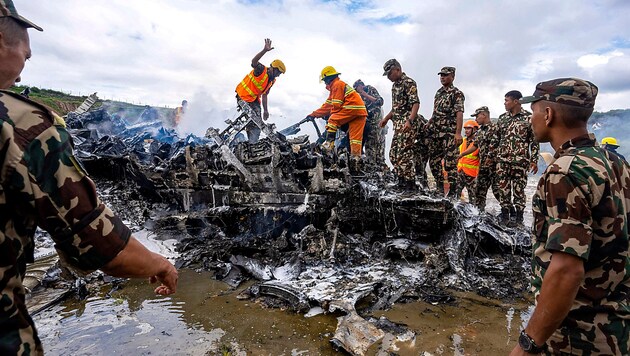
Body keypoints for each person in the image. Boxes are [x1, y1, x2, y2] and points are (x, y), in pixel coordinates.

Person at [0, 2, 178, 354]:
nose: (21, 75)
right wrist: (160, 264)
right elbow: (101, 245)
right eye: (26, 56)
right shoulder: (22, 123)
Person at [510, 78, 629, 355]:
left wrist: (529, 343)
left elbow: (566, 269)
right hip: (617, 328)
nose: (531, 119)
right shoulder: (615, 163)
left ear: (548, 115)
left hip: (578, 336)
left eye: (533, 112)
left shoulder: (564, 172)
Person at [378, 59, 426, 191]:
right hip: (398, 125)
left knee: (403, 154)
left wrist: (409, 121)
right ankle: (401, 181)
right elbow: (396, 108)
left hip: (407, 124)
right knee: (393, 154)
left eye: (389, 73)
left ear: (397, 70)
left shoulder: (408, 82)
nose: (388, 77)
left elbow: (415, 103)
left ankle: (410, 184)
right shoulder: (395, 86)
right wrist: (386, 118)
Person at [494, 90, 539, 225]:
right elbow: (496, 139)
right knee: (503, 188)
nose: (504, 103)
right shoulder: (502, 118)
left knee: (519, 189)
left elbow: (535, 141)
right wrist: (492, 157)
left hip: (520, 161)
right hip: (502, 160)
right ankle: (505, 215)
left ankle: (519, 218)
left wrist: (534, 160)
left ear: (516, 101)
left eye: (507, 100)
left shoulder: (529, 118)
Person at [306, 66, 367, 163]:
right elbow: (327, 106)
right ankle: (355, 160)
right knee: (355, 139)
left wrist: (329, 115)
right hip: (361, 112)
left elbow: (335, 105)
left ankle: (329, 145)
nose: (325, 83)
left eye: (325, 80)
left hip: (352, 108)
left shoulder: (337, 85)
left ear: (328, 78)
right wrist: (314, 114)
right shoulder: (339, 85)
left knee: (333, 119)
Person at [235, 38, 285, 143]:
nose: (278, 75)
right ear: (273, 68)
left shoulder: (272, 80)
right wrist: (264, 51)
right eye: (278, 73)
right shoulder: (261, 69)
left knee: (258, 121)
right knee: (254, 120)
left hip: (253, 100)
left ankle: (253, 142)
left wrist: (266, 110)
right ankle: (251, 142)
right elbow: (253, 62)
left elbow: (265, 95)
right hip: (243, 96)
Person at [425, 66, 465, 198]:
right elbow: (435, 111)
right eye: (441, 75)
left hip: (449, 134)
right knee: (434, 161)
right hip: (436, 133)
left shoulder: (457, 93)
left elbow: (459, 113)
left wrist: (458, 133)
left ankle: (453, 192)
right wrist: (429, 122)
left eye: (445, 75)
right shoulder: (438, 93)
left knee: (450, 163)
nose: (442, 77)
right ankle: (440, 188)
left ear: (452, 77)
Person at [469, 106, 500, 212]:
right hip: (483, 166)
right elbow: (475, 146)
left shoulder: (496, 128)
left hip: (495, 166)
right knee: (479, 190)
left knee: (498, 191)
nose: (476, 119)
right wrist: (462, 154)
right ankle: (478, 212)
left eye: (477, 116)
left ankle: (509, 213)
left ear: (484, 115)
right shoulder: (479, 132)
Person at [353, 79, 386, 169]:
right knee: (370, 145)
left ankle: (379, 166)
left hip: (377, 123)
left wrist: (365, 94)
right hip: (368, 123)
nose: (357, 91)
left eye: (357, 88)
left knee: (378, 145)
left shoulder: (370, 89)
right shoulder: (359, 97)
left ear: (361, 85)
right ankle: (372, 167)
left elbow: (380, 102)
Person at [455, 120, 480, 204]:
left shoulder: (478, 143)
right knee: (455, 195)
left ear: (475, 130)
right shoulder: (462, 141)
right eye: (465, 128)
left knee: (473, 199)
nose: (466, 131)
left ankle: (475, 214)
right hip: (460, 172)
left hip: (472, 175)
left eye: (469, 128)